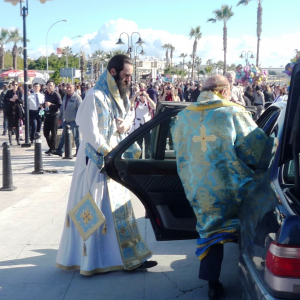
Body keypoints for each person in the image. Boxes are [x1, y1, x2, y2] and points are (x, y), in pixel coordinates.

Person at [56, 55, 155, 276]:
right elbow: (89, 132)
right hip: (96, 163)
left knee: (117, 212)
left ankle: (126, 258)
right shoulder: (94, 96)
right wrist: (109, 152)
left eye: (130, 75)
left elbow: (127, 117)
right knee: (95, 210)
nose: (129, 79)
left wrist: (125, 126)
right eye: (126, 75)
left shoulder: (118, 95)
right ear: (112, 72)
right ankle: (91, 261)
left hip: (113, 160)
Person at [171, 75, 268, 300]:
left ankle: (212, 285)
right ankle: (252, 275)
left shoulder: (184, 116)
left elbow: (179, 150)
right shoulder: (233, 113)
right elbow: (257, 149)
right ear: (224, 90)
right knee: (248, 224)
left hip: (197, 187)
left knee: (209, 228)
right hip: (233, 188)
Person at [54, 83, 82, 157]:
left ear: (74, 88)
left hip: (74, 121)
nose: (69, 89)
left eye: (70, 88)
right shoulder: (65, 97)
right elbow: (62, 109)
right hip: (66, 121)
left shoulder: (77, 98)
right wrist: (59, 118)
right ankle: (60, 150)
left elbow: (81, 110)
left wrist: (79, 120)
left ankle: (79, 152)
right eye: (67, 88)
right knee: (64, 136)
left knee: (77, 137)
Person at [131, 90, 156, 158]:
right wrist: (135, 95)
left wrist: (148, 97)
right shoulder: (137, 103)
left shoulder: (148, 103)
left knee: (147, 143)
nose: (142, 97)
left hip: (147, 124)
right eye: (141, 95)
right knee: (139, 143)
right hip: (138, 125)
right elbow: (130, 104)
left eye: (143, 95)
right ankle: (139, 157)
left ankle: (148, 157)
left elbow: (154, 106)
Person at [43, 80, 62, 155]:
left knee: (53, 133)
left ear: (54, 86)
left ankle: (52, 149)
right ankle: (52, 147)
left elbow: (60, 105)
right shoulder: (46, 94)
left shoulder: (56, 94)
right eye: (48, 85)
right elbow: (46, 104)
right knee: (46, 133)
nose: (49, 87)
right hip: (47, 114)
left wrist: (51, 104)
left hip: (54, 115)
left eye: (51, 85)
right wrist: (42, 105)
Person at [3, 81, 23, 145]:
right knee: (10, 126)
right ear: (12, 85)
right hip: (10, 111)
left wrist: (17, 99)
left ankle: (18, 140)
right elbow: (4, 100)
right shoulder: (9, 92)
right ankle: (10, 140)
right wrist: (10, 99)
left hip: (17, 111)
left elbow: (21, 101)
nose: (15, 86)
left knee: (17, 126)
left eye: (16, 84)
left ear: (17, 86)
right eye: (14, 84)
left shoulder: (19, 92)